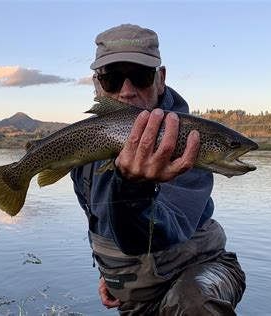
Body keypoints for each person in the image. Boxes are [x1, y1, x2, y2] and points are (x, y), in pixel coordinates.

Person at [71, 24, 245, 315]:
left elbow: (159, 234)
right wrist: (108, 273)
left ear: (160, 79)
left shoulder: (186, 142)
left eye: (139, 77)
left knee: (194, 302)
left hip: (202, 276)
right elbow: (97, 220)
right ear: (97, 85)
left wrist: (133, 186)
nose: (127, 92)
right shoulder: (83, 147)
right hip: (134, 298)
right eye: (113, 79)